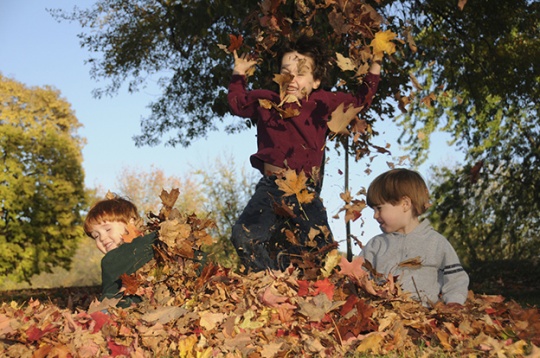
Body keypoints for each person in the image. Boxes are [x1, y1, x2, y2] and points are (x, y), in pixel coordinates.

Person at [228, 35, 381, 272]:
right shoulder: (266, 101)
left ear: (316, 81)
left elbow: (362, 100)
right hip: (272, 187)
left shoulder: (322, 102)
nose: (291, 79)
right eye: (286, 71)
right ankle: (272, 282)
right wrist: (238, 74)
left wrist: (376, 63)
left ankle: (317, 292)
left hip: (305, 192)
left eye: (300, 73)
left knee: (317, 251)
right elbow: (237, 103)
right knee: (244, 236)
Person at [360, 168, 469, 306]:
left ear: (405, 204)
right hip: (383, 315)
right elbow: (358, 275)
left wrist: (455, 302)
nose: (375, 216)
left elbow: (456, 279)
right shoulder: (376, 244)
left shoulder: (436, 243)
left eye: (379, 208)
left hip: (423, 317)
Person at [84, 194, 157, 308]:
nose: (102, 238)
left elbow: (109, 300)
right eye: (96, 236)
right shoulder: (155, 241)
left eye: (108, 229)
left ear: (130, 223)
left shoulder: (110, 260)